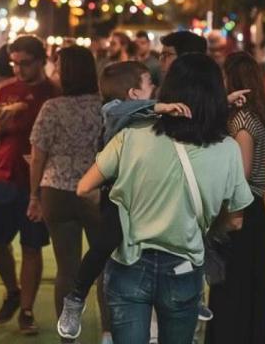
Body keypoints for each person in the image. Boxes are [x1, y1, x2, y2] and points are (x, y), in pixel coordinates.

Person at [78, 53, 253, 344]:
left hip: (129, 264)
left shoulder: (133, 135)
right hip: (184, 268)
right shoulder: (228, 150)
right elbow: (236, 220)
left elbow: (84, 187)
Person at [27, 46, 111, 343]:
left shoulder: (52, 108)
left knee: (67, 267)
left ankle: (68, 334)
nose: (56, 72)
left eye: (59, 67)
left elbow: (38, 156)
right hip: (97, 192)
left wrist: (33, 195)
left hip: (57, 191)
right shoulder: (104, 106)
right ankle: (108, 331)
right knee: (104, 264)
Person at [0, 35, 58, 336]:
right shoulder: (5, 90)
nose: (19, 69)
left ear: (41, 61)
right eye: (14, 63)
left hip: (38, 180)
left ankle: (26, 309)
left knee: (31, 245)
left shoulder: (54, 93)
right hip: (3, 173)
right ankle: (12, 290)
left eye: (25, 63)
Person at [206, 52, 265, 344]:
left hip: (241, 211)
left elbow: (241, 173)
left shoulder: (242, 121)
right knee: (249, 285)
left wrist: (229, 211)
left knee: (233, 287)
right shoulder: (256, 116)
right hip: (254, 209)